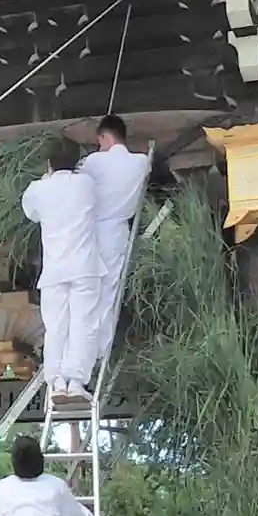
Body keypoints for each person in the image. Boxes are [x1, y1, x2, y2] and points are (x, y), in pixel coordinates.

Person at [21, 133, 101, 398]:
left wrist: (46, 179)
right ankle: (76, 382)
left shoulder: (37, 189)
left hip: (54, 271)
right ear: (77, 163)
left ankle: (55, 382)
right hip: (84, 267)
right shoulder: (86, 184)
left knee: (56, 328)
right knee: (83, 325)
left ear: (49, 163)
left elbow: (31, 214)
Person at [76, 114, 150, 362]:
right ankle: (101, 352)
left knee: (87, 292)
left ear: (104, 136)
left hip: (93, 231)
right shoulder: (141, 162)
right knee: (109, 293)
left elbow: (75, 179)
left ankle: (83, 350)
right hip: (118, 233)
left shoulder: (94, 161)